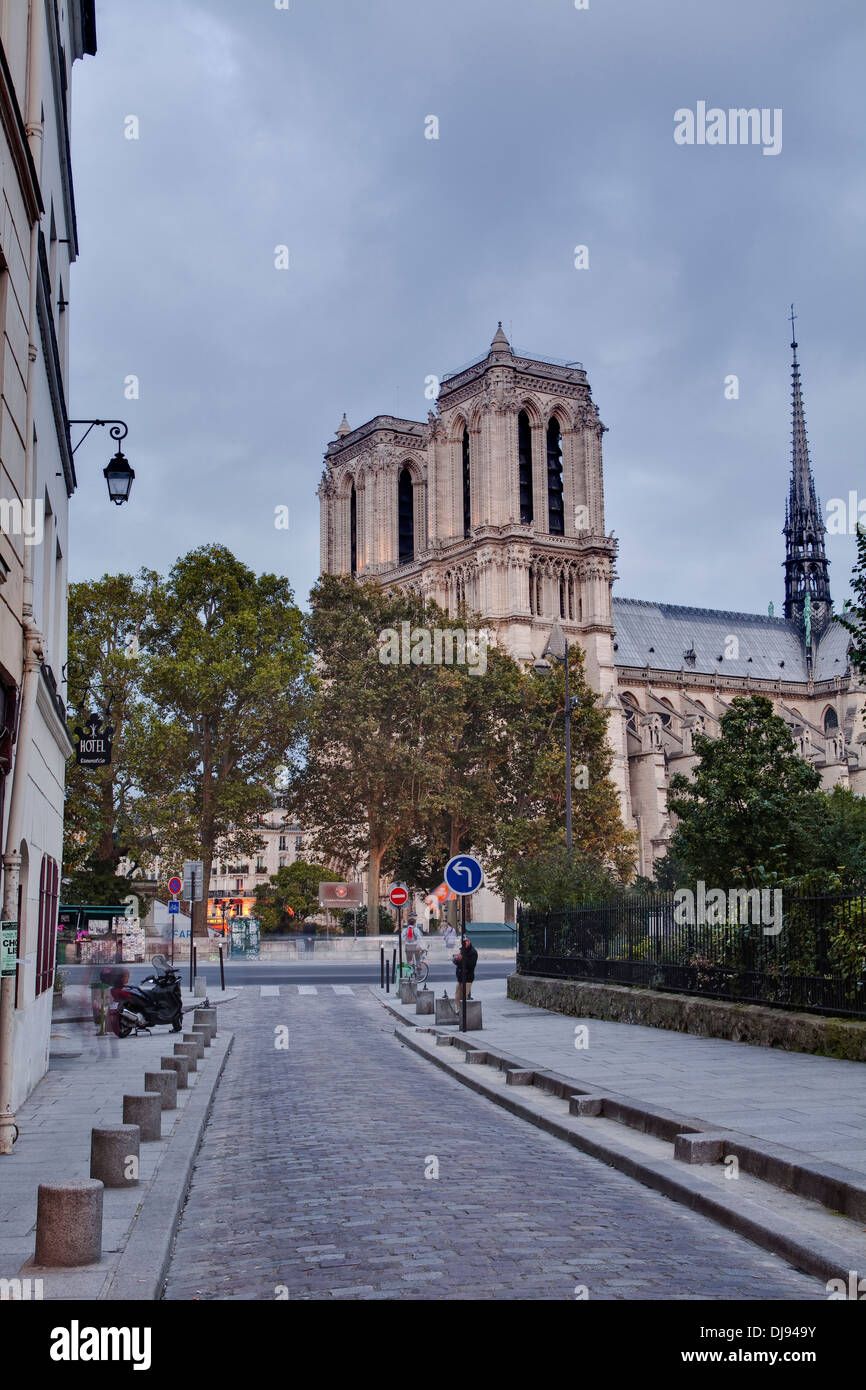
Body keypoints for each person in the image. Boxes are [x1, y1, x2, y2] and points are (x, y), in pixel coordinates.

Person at [453, 935, 478, 1004]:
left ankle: (462, 1014)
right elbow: (459, 964)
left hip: (467, 979)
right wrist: (456, 960)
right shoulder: (462, 950)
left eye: (466, 941)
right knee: (457, 998)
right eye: (463, 942)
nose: (464, 943)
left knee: (463, 1000)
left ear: (469, 941)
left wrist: (462, 959)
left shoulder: (473, 952)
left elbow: (471, 965)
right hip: (460, 978)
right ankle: (458, 1013)